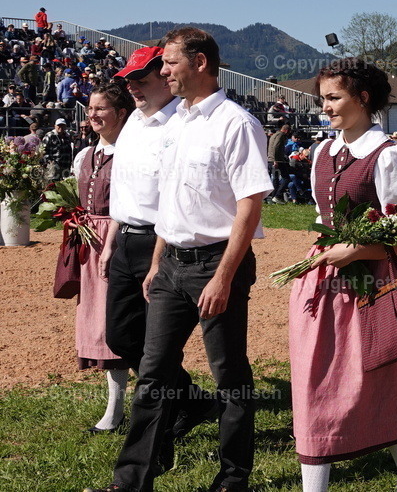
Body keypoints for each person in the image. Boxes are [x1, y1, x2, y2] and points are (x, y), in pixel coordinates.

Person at [86, 27, 273, 492]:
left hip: (217, 264)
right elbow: (169, 203)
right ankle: (132, 481)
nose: (163, 71)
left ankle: (233, 477)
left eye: (169, 63)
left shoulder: (236, 123)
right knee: (152, 374)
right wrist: (156, 262)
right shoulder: (178, 122)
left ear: (201, 63)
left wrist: (224, 276)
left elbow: (250, 205)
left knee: (229, 374)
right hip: (170, 263)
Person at [288, 58, 397, 492]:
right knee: (315, 382)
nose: (324, 107)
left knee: (384, 378)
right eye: (322, 98)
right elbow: (323, 215)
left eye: (333, 97)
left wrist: (357, 248)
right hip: (323, 281)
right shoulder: (323, 152)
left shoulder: (389, 154)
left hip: (374, 283)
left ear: (362, 98)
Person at [106, 46, 217, 445]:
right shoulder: (133, 121)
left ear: (163, 76)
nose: (132, 87)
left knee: (159, 345)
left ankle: (170, 411)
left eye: (140, 79)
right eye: (128, 81)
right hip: (125, 240)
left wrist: (158, 252)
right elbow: (124, 187)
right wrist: (110, 240)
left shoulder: (180, 124)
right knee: (120, 337)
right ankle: (191, 399)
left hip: (161, 241)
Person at [65, 82, 134, 433]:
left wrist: (111, 241)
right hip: (89, 244)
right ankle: (116, 408)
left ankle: (169, 400)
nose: (92, 114)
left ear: (121, 113)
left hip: (120, 242)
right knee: (99, 323)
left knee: (119, 325)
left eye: (100, 108)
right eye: (90, 108)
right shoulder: (86, 155)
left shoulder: (131, 153)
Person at [42, 117, 74, 183]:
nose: (61, 127)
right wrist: (49, 161)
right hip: (53, 166)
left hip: (65, 165)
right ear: (55, 126)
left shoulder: (67, 136)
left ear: (65, 126)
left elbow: (69, 150)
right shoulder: (49, 135)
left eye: (63, 126)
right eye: (59, 125)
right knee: (52, 184)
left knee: (65, 185)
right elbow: (43, 150)